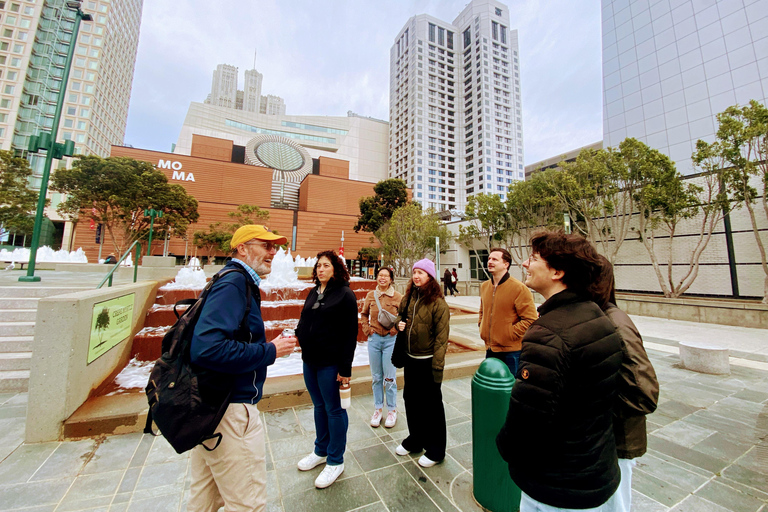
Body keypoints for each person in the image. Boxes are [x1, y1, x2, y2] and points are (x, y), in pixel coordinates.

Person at [496, 230, 624, 511]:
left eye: (533, 258)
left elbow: (528, 418)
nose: (526, 265)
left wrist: (503, 446)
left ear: (557, 272)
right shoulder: (598, 316)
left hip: (556, 484)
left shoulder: (548, 333)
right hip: (594, 471)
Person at [188, 224, 297, 512]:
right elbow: (207, 348)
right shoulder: (234, 283)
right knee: (248, 504)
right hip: (230, 411)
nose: (273, 252)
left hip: (212, 406)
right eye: (266, 245)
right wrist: (270, 350)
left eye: (275, 247)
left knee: (205, 500)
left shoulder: (229, 280)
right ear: (242, 249)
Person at [590, 255, 659, 512]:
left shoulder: (615, 322)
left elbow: (644, 392)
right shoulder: (597, 317)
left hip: (616, 442)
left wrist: (594, 406)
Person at [295, 250, 359, 489]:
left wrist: (345, 369)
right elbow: (305, 320)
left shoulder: (345, 295)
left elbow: (349, 335)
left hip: (331, 364)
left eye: (326, 265)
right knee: (319, 406)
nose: (320, 269)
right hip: (309, 361)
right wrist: (297, 335)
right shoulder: (313, 292)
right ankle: (320, 450)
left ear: (336, 269)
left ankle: (335, 460)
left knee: (334, 410)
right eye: (318, 266)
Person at [394, 258, 450, 468]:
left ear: (430, 277)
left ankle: (436, 449)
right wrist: (397, 323)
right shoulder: (408, 297)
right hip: (411, 360)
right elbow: (399, 318)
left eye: (421, 273)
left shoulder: (438, 304)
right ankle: (416, 439)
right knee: (411, 399)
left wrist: (437, 367)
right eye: (415, 272)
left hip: (428, 362)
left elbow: (442, 339)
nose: (416, 276)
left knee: (432, 406)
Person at [478, 247, 537, 376]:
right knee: (493, 389)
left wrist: (509, 334)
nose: (490, 261)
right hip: (490, 349)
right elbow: (482, 310)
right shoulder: (484, 286)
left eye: (495, 259)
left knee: (510, 391)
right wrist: (481, 325)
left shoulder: (519, 288)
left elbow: (530, 319)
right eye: (489, 259)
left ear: (506, 264)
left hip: (511, 352)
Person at [360, 266, 403, 428]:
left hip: (391, 341)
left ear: (391, 279)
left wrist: (395, 328)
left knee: (390, 378)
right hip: (374, 340)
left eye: (386, 276)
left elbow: (404, 316)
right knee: (377, 377)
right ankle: (378, 409)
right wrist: (367, 329)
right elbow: (363, 314)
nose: (382, 278)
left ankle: (392, 410)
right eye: (380, 275)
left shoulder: (398, 296)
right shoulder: (371, 296)